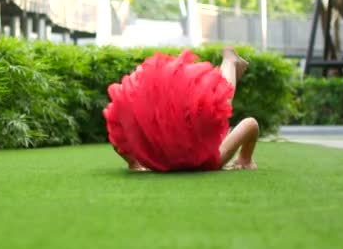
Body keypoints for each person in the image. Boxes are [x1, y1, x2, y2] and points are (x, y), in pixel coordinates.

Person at [103, 47, 259, 172]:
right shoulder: (212, 159)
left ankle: (230, 61)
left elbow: (250, 124)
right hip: (173, 149)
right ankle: (230, 60)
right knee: (218, 102)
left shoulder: (212, 156)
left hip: (168, 146)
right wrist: (245, 159)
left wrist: (134, 163)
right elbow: (250, 123)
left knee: (219, 101)